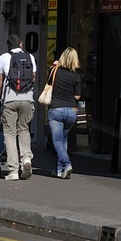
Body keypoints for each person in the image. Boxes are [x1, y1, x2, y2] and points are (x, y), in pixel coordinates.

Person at [0, 34, 36, 181]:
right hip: (27, 98)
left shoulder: (3, 58)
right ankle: (26, 158)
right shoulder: (30, 57)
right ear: (21, 44)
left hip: (10, 99)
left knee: (10, 134)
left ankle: (13, 170)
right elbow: (33, 78)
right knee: (23, 129)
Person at [44, 48, 84, 178]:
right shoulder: (76, 76)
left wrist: (55, 66)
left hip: (56, 109)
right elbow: (78, 96)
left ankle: (66, 164)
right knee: (63, 140)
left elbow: (48, 84)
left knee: (57, 140)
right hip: (71, 111)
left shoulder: (54, 70)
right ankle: (58, 170)